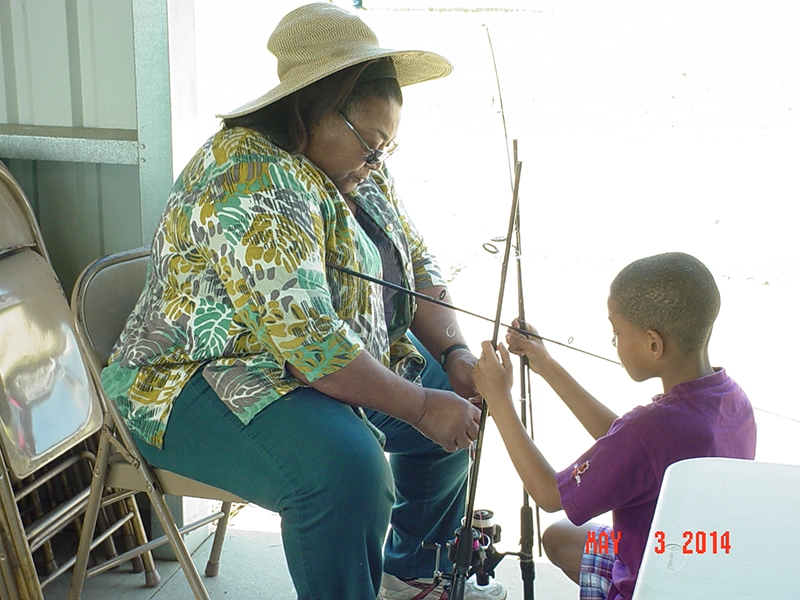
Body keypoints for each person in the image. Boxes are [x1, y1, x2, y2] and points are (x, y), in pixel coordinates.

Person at [100, 3, 506, 600]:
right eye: (370, 145)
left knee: (454, 397)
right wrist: (419, 405)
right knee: (346, 473)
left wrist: (456, 352)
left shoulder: (351, 165)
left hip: (296, 359)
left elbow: (414, 263)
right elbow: (314, 346)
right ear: (310, 109)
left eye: (384, 149)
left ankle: (413, 575)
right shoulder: (249, 176)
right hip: (191, 379)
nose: (377, 163)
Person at [473, 252, 756, 600]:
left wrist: (499, 399)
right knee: (559, 538)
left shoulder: (650, 430)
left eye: (617, 331)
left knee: (558, 526)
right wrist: (545, 364)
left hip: (650, 579)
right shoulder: (731, 399)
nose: (614, 342)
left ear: (654, 343)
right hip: (691, 558)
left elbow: (548, 495)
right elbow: (626, 440)